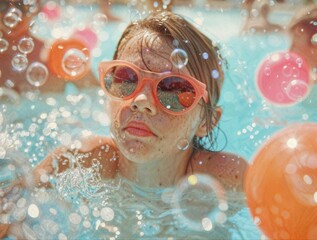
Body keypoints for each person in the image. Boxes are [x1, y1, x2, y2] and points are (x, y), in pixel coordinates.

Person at [33, 10, 248, 189]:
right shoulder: (77, 163)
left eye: (173, 90)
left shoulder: (230, 180)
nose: (142, 100)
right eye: (127, 79)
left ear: (206, 122)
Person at [0, 0, 98, 94]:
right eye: (3, 4)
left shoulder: (57, 54)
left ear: (35, 8)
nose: (12, 12)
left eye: (22, 5)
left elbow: (99, 97)